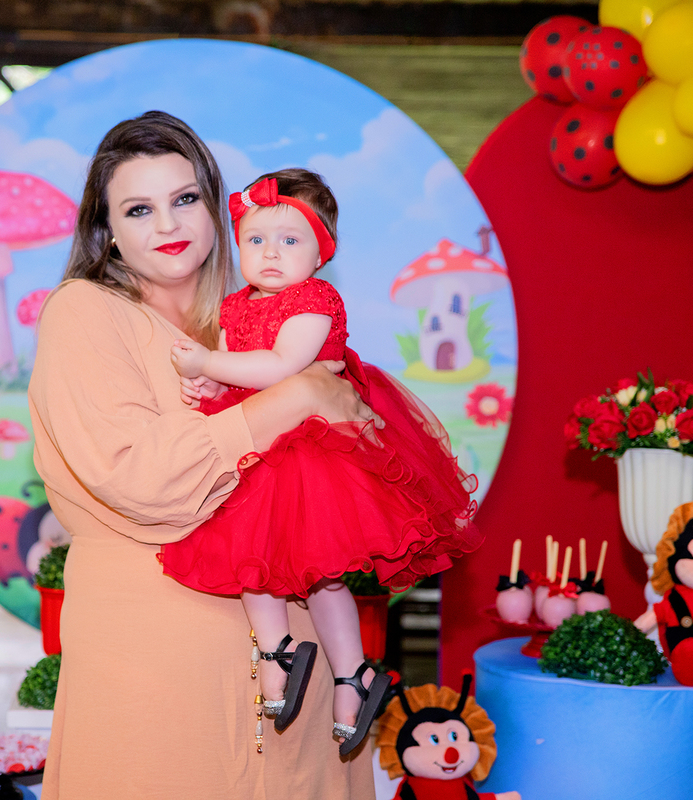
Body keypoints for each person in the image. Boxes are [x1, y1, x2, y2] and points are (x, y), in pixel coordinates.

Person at [28, 112, 379, 799]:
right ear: (108, 231)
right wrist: (288, 399)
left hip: (300, 659)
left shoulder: (258, 318)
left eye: (185, 199)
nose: (167, 224)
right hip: (157, 666)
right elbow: (141, 477)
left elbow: (348, 455)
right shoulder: (84, 312)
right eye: (139, 208)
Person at [160, 169, 481, 756]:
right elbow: (239, 378)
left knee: (326, 574)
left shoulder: (315, 301)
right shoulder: (233, 308)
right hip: (257, 449)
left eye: (290, 241)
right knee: (247, 559)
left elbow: (284, 367)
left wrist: (207, 364)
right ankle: (278, 652)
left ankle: (351, 675)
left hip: (314, 454)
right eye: (256, 241)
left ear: (321, 251)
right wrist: (208, 388)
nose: (271, 254)